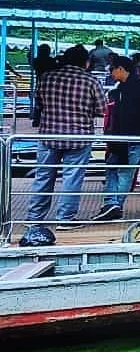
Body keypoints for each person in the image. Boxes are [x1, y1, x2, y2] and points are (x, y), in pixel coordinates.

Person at [27, 44, 107, 227]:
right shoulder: (91, 81)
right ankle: (65, 219)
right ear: (86, 63)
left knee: (43, 177)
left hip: (49, 135)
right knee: (72, 178)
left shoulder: (47, 77)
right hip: (79, 137)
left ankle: (34, 219)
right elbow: (102, 109)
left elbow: (38, 103)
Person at [93, 57, 140, 221]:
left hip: (133, 138)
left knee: (124, 171)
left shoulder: (133, 89)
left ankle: (115, 204)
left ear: (121, 69)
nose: (110, 73)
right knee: (113, 167)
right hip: (122, 138)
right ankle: (111, 203)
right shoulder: (126, 88)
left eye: (112, 69)